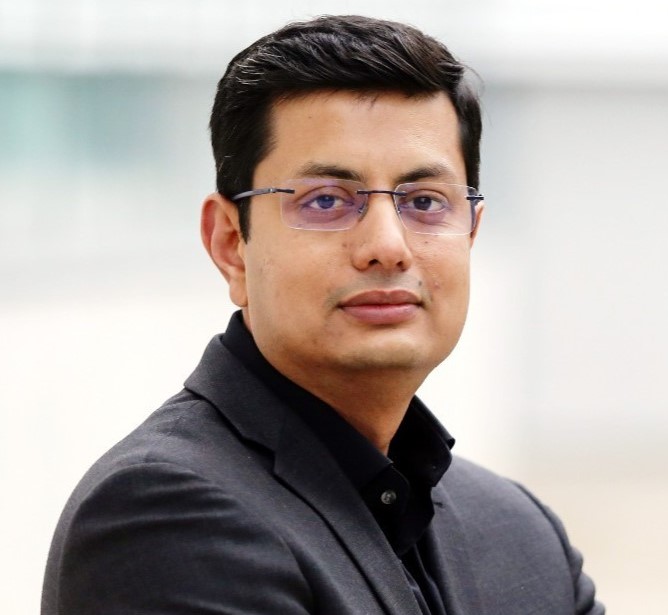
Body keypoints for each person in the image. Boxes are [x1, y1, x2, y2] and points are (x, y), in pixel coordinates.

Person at [42, 15, 604, 615]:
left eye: (424, 201)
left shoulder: (523, 535)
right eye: (327, 201)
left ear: (471, 233)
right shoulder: (167, 515)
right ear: (231, 244)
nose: (387, 246)